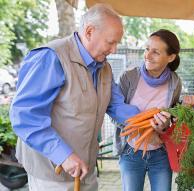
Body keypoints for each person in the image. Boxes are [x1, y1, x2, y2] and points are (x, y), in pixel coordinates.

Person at [9, 4, 140, 191]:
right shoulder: (52, 57)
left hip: (85, 169)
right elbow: (25, 117)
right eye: (110, 42)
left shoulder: (104, 67)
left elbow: (117, 106)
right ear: (89, 32)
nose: (114, 49)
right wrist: (63, 155)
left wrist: (148, 120)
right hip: (51, 172)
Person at [117, 29, 194, 191]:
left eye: (156, 52)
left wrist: (165, 126)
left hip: (161, 154)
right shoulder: (128, 77)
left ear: (171, 57)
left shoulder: (174, 82)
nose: (148, 55)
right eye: (147, 49)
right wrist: (142, 127)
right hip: (131, 152)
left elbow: (171, 118)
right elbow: (114, 113)